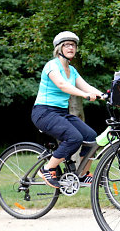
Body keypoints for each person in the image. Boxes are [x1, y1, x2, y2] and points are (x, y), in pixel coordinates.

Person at [31, 31, 104, 188]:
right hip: (44, 112)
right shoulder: (52, 65)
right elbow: (62, 85)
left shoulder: (73, 70)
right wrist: (85, 95)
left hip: (61, 113)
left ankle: (83, 174)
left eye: (73, 45)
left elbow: (87, 86)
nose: (71, 47)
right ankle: (47, 169)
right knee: (74, 138)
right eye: (67, 45)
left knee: (91, 137)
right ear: (59, 48)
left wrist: (105, 96)